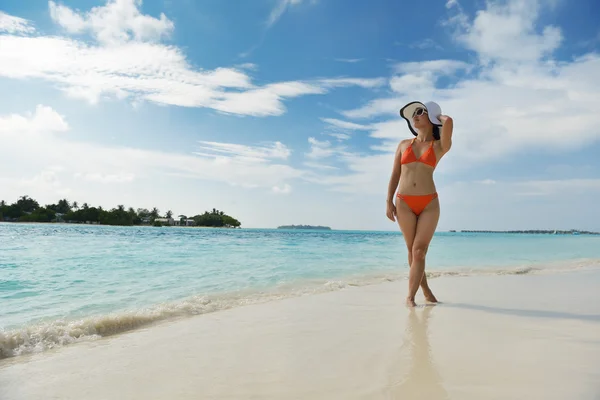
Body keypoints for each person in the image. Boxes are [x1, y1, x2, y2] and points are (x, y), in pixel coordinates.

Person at [385, 101, 453, 307]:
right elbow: (395, 173)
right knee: (411, 250)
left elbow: (448, 121)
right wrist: (389, 201)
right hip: (404, 202)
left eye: (420, 112)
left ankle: (410, 298)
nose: (415, 116)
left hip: (429, 203)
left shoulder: (440, 146)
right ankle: (424, 289)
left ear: (430, 118)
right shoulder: (404, 144)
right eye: (413, 113)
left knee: (419, 251)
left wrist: (436, 115)